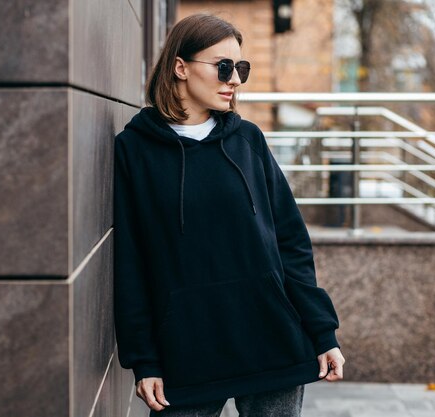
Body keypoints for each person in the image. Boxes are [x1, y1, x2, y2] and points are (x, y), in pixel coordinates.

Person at [113, 13, 345, 417]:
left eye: (241, 68)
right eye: (223, 67)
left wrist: (322, 330)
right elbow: (131, 261)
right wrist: (144, 358)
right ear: (180, 67)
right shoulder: (135, 151)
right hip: (186, 355)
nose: (234, 79)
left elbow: (290, 242)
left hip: (272, 342)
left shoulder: (248, 141)